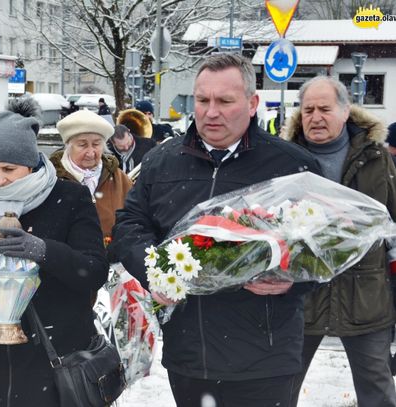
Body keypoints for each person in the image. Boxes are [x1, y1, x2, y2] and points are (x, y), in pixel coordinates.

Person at [108, 53, 322, 407]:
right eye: (202, 100)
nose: (210, 112)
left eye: (224, 101)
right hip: (189, 352)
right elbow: (130, 224)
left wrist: (296, 279)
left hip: (266, 356)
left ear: (252, 103)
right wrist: (153, 271)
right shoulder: (163, 160)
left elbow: (327, 242)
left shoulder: (292, 165)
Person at [0, 98, 109, 407]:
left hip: (58, 355)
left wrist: (44, 251)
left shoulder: (70, 198)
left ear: (31, 163)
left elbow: (94, 271)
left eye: (9, 169)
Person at [281, 76, 396, 407]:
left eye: (325, 109)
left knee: (377, 389)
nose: (316, 117)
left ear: (346, 112)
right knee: (279, 387)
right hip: (300, 295)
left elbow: (392, 222)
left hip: (366, 296)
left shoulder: (376, 158)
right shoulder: (286, 158)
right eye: (308, 110)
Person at [50, 109, 132, 240]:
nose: (90, 152)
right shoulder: (51, 178)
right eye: (82, 145)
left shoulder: (118, 177)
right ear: (68, 146)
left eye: (96, 144)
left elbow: (135, 219)